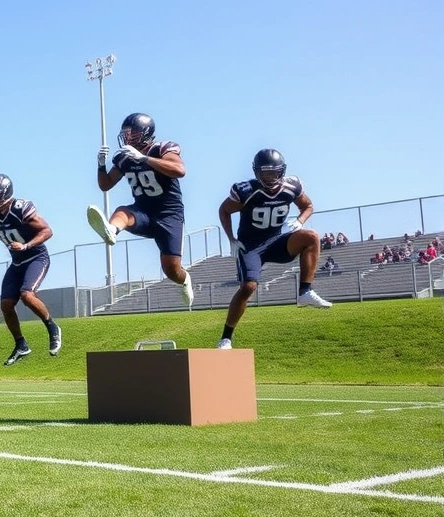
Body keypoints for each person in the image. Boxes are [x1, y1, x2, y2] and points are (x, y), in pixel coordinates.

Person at [216, 149, 332, 350]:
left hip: (278, 240)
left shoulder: (291, 186)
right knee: (248, 287)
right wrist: (231, 239)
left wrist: (299, 221)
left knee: (311, 236)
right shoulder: (245, 190)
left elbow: (308, 206)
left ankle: (305, 291)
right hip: (251, 246)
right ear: (257, 173)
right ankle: (226, 337)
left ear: (282, 171)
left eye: (274, 172)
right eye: (266, 173)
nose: (270, 177)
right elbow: (224, 210)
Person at [87, 112, 194, 308]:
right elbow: (106, 184)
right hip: (143, 211)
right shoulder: (124, 158)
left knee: (171, 270)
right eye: (126, 134)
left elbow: (180, 170)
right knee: (123, 211)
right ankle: (111, 230)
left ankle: (185, 280)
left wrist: (144, 159)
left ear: (146, 133)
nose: (128, 138)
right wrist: (101, 165)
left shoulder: (162, 148)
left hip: (169, 215)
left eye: (133, 134)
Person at [0, 174, 62, 366]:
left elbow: (47, 231)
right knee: (6, 305)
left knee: (27, 295)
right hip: (17, 263)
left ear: (5, 193)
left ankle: (53, 328)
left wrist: (26, 246)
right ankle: (21, 344)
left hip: (36, 257)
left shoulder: (21, 208)